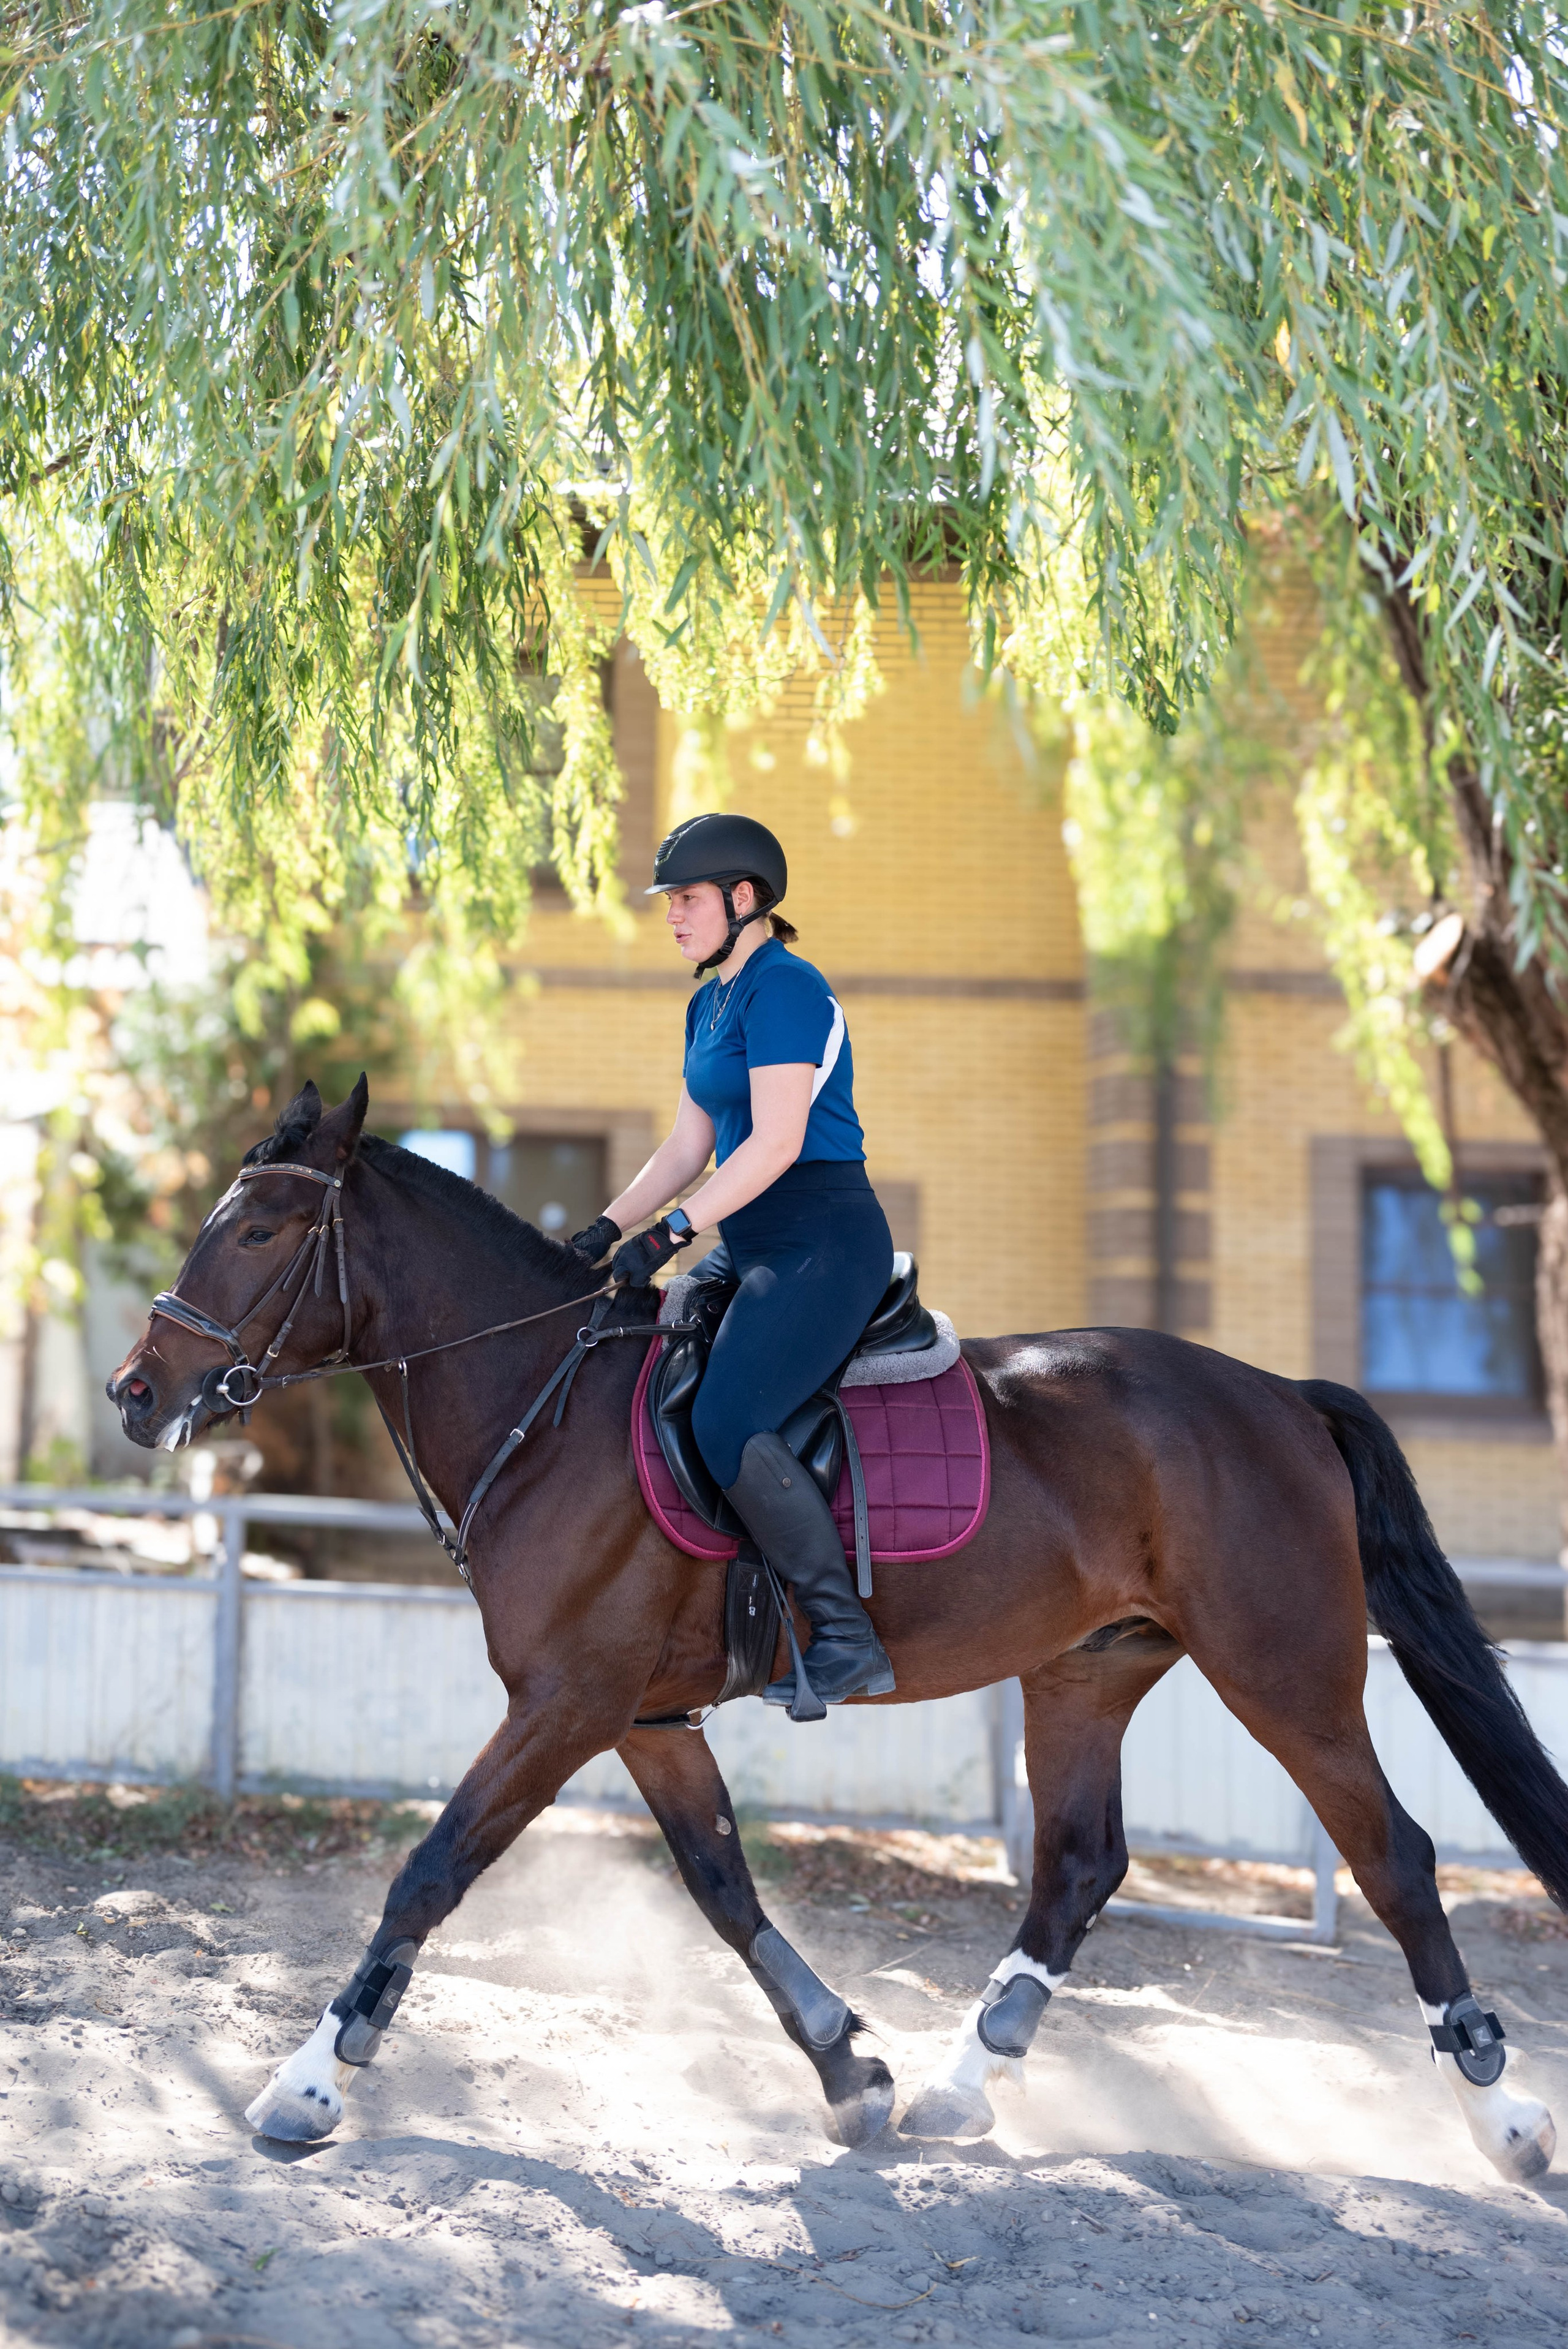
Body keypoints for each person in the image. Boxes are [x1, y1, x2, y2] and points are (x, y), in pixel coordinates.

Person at [569, 812, 895, 1711]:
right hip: (748, 1235)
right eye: (670, 902)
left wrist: (673, 1235)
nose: (672, 917)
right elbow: (687, 1145)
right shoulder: (708, 1001)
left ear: (743, 900)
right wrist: (600, 1232)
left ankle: (845, 1635)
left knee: (725, 1422)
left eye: (687, 900)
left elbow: (778, 1143)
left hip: (820, 1239)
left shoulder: (787, 988)